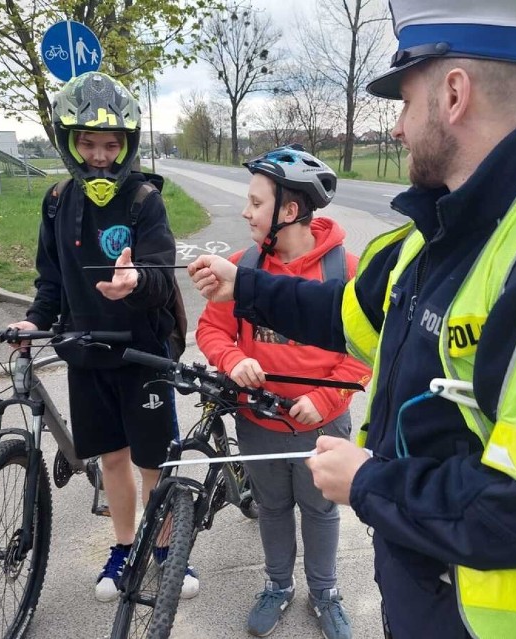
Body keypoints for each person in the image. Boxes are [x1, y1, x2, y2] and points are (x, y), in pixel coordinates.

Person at [187, 1, 516, 637]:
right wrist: (246, 288)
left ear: (454, 94)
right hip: (424, 585)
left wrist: (368, 481)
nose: (396, 127)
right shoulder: (445, 231)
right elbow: (349, 314)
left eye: (403, 100)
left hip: (486, 618)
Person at [9, 71, 198, 603]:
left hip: (142, 352)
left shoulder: (143, 200)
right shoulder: (55, 201)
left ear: (127, 145)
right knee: (112, 459)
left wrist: (136, 282)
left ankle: (165, 551)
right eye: (87, 143)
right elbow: (51, 281)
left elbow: (163, 276)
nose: (98, 155)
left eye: (110, 144)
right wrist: (33, 318)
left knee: (153, 462)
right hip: (86, 352)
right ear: (69, 143)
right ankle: (124, 545)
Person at [196, 145, 371, 639]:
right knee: (272, 508)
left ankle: (325, 591)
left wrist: (326, 400)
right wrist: (234, 360)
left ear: (289, 212)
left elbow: (364, 352)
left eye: (255, 203)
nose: (246, 212)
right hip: (258, 421)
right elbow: (212, 331)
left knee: (319, 510)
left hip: (322, 425)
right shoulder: (243, 266)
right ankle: (277, 585)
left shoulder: (345, 271)